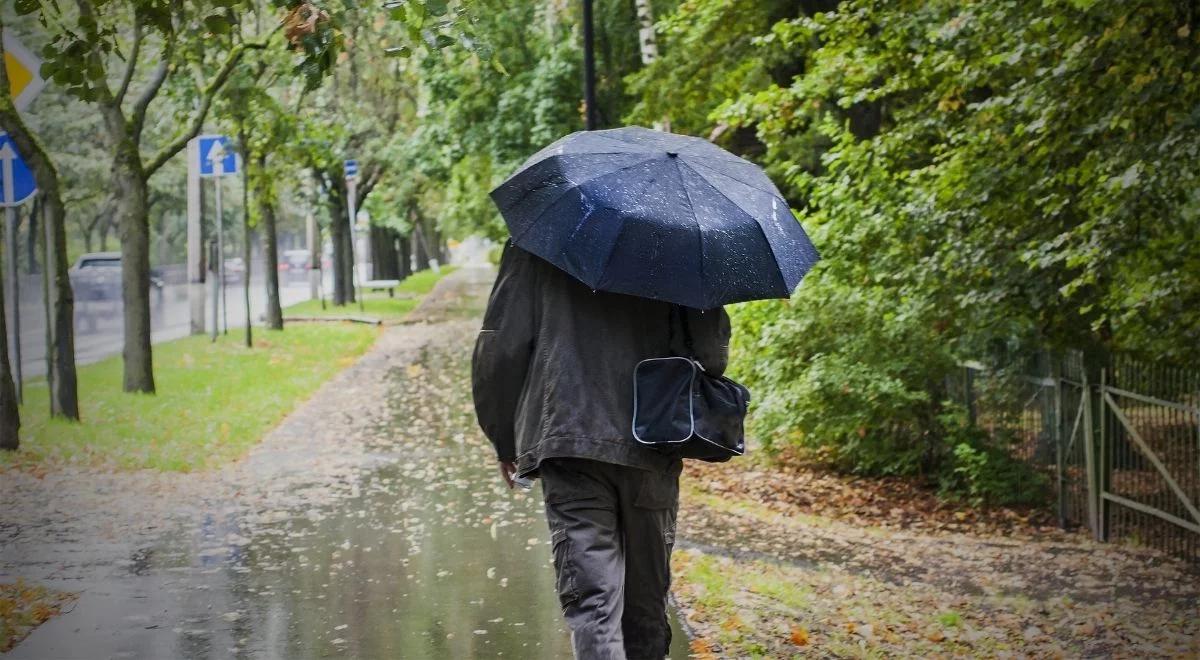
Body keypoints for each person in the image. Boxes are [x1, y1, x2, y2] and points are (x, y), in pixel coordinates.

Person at [472, 243, 730, 660]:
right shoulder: (681, 240)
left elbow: (502, 345)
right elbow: (711, 355)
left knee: (593, 605)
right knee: (645, 607)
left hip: (569, 437)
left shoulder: (541, 239)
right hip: (652, 438)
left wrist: (504, 436)